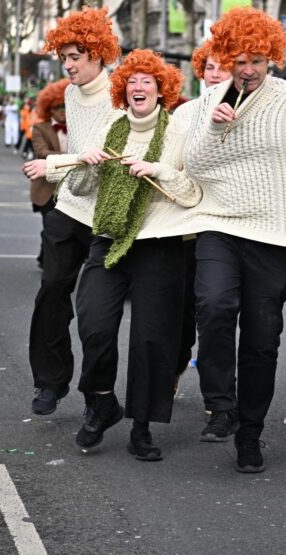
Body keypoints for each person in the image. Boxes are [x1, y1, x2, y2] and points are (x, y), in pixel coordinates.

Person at [163, 7, 286, 472]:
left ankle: (251, 432)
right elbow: (196, 168)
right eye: (239, 59)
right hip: (220, 224)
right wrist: (217, 129)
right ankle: (221, 404)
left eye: (258, 60)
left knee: (263, 336)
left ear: (272, 59)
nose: (247, 69)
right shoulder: (206, 104)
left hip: (275, 236)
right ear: (225, 56)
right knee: (215, 308)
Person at [71, 50, 202, 459]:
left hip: (159, 245)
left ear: (162, 89)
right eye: (132, 81)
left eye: (148, 81)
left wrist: (158, 170)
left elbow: (193, 194)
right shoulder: (110, 125)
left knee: (151, 339)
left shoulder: (179, 131)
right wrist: (88, 166)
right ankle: (102, 401)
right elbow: (77, 188)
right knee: (93, 322)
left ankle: (142, 427)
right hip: (109, 237)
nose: (139, 87)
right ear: (122, 89)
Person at [21, 7, 122, 416]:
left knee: (94, 313)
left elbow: (101, 155)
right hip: (70, 204)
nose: (68, 65)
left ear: (97, 54)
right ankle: (50, 382)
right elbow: (79, 154)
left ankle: (97, 394)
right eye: (64, 57)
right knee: (51, 292)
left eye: (75, 56)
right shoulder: (67, 92)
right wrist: (63, 168)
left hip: (105, 215)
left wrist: (53, 165)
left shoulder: (118, 97)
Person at [171, 43, 232, 396]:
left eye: (224, 68)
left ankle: (216, 393)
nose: (216, 75)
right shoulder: (184, 114)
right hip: (181, 227)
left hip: (222, 227)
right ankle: (176, 368)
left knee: (214, 311)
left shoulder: (245, 113)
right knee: (179, 312)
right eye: (210, 67)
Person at [30, 79, 70, 268]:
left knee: (65, 229)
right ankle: (46, 259)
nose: (62, 110)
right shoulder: (40, 128)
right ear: (49, 108)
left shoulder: (78, 127)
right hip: (47, 188)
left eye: (65, 106)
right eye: (57, 107)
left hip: (72, 187)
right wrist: (75, 158)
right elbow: (42, 153)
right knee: (50, 225)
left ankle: (49, 258)